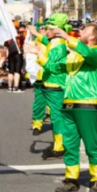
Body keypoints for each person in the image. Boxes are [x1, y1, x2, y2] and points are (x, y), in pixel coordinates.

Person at [47, 22, 97, 192]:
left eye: (85, 30)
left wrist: (67, 37)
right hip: (68, 106)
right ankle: (71, 179)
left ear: (92, 36)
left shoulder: (96, 53)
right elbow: (56, 68)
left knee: (91, 145)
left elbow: (87, 53)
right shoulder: (74, 56)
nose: (81, 31)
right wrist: (39, 54)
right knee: (70, 145)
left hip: (88, 105)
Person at [31, 14, 70, 161]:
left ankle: (59, 147)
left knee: (57, 118)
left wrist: (38, 53)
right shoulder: (54, 41)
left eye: (50, 29)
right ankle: (58, 145)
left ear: (58, 30)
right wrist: (35, 33)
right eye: (46, 28)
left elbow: (51, 66)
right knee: (55, 117)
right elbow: (46, 40)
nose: (47, 31)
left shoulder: (59, 45)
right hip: (50, 84)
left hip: (55, 85)